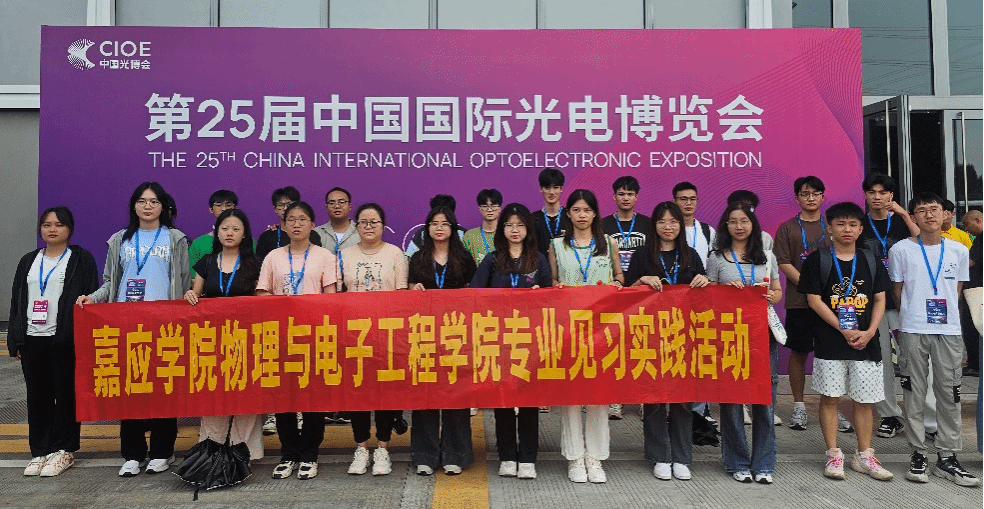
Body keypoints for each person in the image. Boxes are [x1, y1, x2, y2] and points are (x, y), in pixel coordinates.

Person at [76, 182, 191, 477]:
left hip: (163, 325)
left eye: (153, 201)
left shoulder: (175, 238)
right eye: (142, 201)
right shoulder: (120, 239)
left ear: (163, 206)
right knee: (129, 389)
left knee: (163, 388)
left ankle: (162, 451)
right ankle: (133, 454)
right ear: (134, 206)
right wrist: (94, 298)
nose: (147, 206)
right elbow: (109, 282)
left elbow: (182, 280)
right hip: (126, 324)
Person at [798, 202, 893, 481]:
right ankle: (834, 454)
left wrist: (871, 331)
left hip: (866, 342)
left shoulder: (871, 260)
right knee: (830, 398)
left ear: (861, 229)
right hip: (830, 341)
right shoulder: (818, 260)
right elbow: (813, 299)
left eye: (853, 224)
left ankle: (864, 455)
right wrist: (842, 329)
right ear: (829, 228)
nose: (847, 229)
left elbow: (879, 299)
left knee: (864, 400)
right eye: (840, 224)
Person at [890, 193, 979, 487]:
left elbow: (957, 290)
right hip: (913, 329)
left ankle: (948, 456)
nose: (929, 215)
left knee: (950, 393)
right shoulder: (901, 249)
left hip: (948, 331)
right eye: (922, 210)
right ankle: (918, 454)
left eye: (934, 209)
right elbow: (898, 290)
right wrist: (912, 314)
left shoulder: (959, 250)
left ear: (945, 215)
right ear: (913, 217)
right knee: (914, 393)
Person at [9, 207, 98, 477]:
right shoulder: (28, 260)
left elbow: (91, 298)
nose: (52, 229)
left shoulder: (80, 259)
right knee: (38, 397)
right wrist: (16, 339)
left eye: (59, 224)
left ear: (69, 228)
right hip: (32, 338)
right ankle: (39, 451)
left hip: (65, 338)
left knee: (66, 395)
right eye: (47, 224)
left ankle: (64, 450)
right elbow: (17, 300)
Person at [624, 201, 708, 481]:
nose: (668, 227)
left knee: (683, 398)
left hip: (684, 335)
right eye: (662, 221)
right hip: (650, 335)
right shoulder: (642, 255)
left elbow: (705, 294)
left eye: (673, 221)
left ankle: (682, 457)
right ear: (654, 225)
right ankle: (660, 455)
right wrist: (641, 281)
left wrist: (704, 281)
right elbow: (626, 292)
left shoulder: (690, 255)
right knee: (655, 397)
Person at [256, 201, 338, 480]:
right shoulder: (273, 257)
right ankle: (288, 453)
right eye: (291, 219)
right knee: (285, 398)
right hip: (281, 336)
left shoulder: (324, 256)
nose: (296, 224)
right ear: (284, 224)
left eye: (302, 219)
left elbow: (330, 298)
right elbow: (262, 294)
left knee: (313, 398)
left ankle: (310, 454)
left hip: (314, 336)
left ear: (312, 224)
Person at [470, 203, 551, 480]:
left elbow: (551, 299)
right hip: (499, 340)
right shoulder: (492, 260)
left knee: (528, 399)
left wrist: (541, 294)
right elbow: (475, 295)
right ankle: (506, 455)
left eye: (520, 225)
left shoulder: (538, 260)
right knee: (503, 398)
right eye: (509, 225)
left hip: (529, 340)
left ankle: (527, 457)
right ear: (502, 229)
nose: (514, 230)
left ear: (528, 229)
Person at [548, 189, 623, 483]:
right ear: (568, 213)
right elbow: (553, 279)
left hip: (601, 330)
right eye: (577, 210)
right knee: (571, 395)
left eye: (587, 210)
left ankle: (595, 456)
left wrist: (617, 285)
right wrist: (556, 288)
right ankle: (575, 457)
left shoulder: (609, 242)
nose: (582, 215)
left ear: (595, 213)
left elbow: (619, 276)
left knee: (598, 394)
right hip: (567, 329)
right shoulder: (557, 245)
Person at [706, 202, 781, 485]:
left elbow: (777, 291)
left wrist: (771, 296)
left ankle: (763, 463)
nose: (739, 226)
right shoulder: (717, 258)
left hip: (762, 333)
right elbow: (708, 295)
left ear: (753, 224)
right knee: (732, 399)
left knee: (764, 399)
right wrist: (725, 291)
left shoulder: (766, 256)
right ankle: (737, 461)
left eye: (744, 221)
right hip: (729, 335)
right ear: (725, 226)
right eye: (733, 221)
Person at [183, 209, 265, 461]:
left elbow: (262, 299)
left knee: (246, 394)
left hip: (246, 339)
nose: (230, 233)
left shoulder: (255, 263)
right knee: (213, 393)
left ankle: (244, 452)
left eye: (236, 229)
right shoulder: (207, 262)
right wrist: (190, 295)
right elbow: (197, 294)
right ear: (217, 232)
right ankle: (212, 450)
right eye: (225, 228)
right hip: (213, 339)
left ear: (245, 234)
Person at [339, 203, 408, 477]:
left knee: (385, 393)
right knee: (357, 394)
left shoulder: (395, 253)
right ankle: (360, 447)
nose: (369, 226)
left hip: (386, 335)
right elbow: (336, 297)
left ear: (383, 225)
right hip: (354, 335)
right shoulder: (344, 255)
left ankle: (382, 448)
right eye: (364, 222)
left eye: (374, 222)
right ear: (356, 226)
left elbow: (401, 295)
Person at [409, 206, 477, 476]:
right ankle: (425, 455)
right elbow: (407, 290)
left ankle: (455, 454)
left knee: (455, 395)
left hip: (456, 335)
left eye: (445, 223)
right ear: (427, 229)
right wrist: (413, 288)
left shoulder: (464, 258)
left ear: (453, 228)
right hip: (424, 335)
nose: (439, 228)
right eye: (434, 223)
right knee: (425, 395)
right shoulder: (418, 258)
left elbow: (475, 293)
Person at [774, 176, 842, 432]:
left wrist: (825, 289)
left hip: (831, 302)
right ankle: (799, 406)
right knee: (799, 353)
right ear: (797, 198)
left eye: (815, 193)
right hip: (799, 302)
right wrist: (810, 286)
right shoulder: (787, 228)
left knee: (831, 355)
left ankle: (832, 406)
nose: (810, 198)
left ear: (823, 196)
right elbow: (783, 262)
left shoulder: (832, 226)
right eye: (805, 194)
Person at [858, 174, 919, 439]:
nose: (877, 197)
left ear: (891, 195)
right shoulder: (859, 224)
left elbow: (923, 243)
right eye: (872, 192)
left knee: (913, 358)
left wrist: (904, 214)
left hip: (905, 299)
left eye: (883, 192)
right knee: (880, 359)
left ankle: (923, 418)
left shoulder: (902, 223)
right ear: (865, 195)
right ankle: (890, 416)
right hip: (874, 301)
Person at [601, 176, 651, 419]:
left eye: (630, 194)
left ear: (637, 197)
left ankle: (641, 397)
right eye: (621, 193)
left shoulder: (647, 224)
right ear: (614, 196)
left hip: (642, 291)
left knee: (641, 344)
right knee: (614, 344)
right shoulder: (603, 225)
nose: (626, 198)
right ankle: (615, 398)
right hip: (615, 290)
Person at [255, 186, 322, 261]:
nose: (285, 208)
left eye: (289, 204)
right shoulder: (266, 237)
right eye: (280, 205)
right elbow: (260, 265)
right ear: (275, 209)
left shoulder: (312, 235)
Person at [188, 190, 238, 280]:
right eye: (219, 204)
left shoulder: (248, 241)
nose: (224, 209)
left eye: (228, 205)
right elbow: (193, 278)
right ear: (211, 209)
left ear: (235, 208)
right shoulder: (198, 243)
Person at [672, 181, 715, 267]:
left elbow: (715, 260)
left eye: (692, 199)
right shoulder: (668, 230)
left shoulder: (708, 231)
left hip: (701, 275)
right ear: (674, 201)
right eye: (683, 199)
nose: (688, 203)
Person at [314, 186, 359, 257]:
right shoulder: (316, 233)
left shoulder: (361, 231)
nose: (337, 206)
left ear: (350, 206)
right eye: (332, 203)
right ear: (326, 208)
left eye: (342, 202)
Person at [463, 188, 503, 267]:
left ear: (499, 209)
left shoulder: (506, 233)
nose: (489, 210)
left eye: (493, 206)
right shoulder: (469, 235)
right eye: (485, 206)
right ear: (480, 209)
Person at [533, 168, 569, 256]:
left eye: (555, 187)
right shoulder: (532, 219)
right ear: (541, 189)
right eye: (547, 188)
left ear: (561, 189)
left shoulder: (570, 216)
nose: (551, 192)